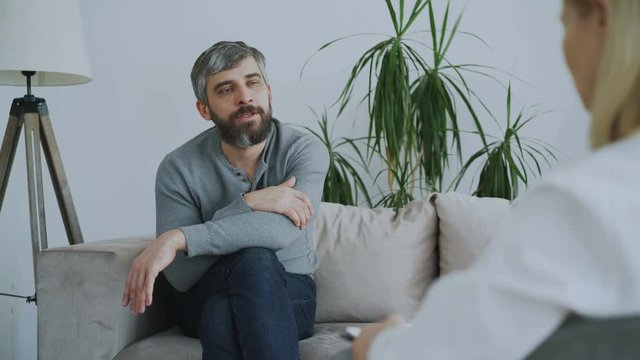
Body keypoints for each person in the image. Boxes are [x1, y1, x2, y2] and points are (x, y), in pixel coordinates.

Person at [344, 0, 640, 358]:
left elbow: (437, 352)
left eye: (564, 25)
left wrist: (380, 341)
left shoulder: (584, 202)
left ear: (602, 17)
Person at [121, 41, 329, 360]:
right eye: (226, 89)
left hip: (290, 291)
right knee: (248, 265)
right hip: (203, 290)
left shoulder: (303, 151)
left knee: (227, 305)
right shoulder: (178, 167)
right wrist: (249, 202)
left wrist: (180, 238)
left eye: (253, 82)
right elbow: (181, 273)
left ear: (269, 92)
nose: (244, 97)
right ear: (204, 109)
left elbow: (279, 232)